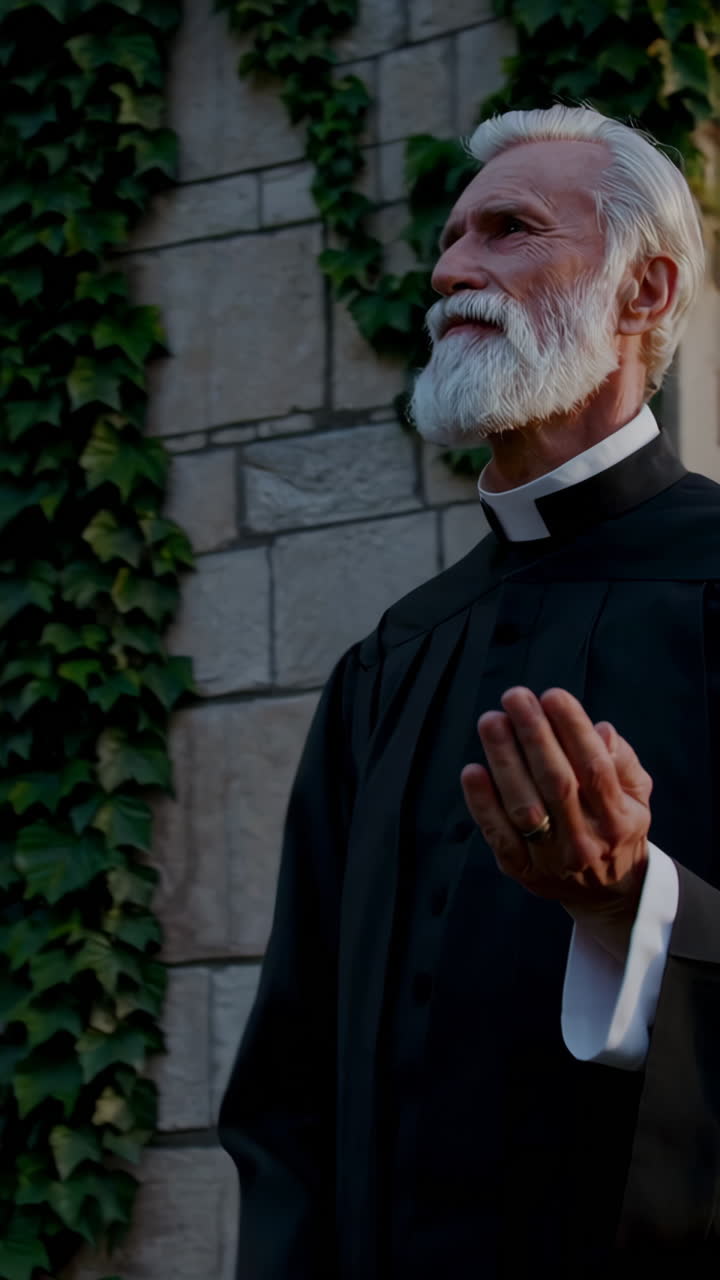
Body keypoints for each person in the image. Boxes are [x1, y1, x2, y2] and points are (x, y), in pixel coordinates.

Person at [218, 105, 720, 1278]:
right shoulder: (394, 657)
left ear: (643, 293)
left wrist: (634, 911)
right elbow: (292, 1075)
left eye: (508, 230)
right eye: (449, 239)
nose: (450, 272)